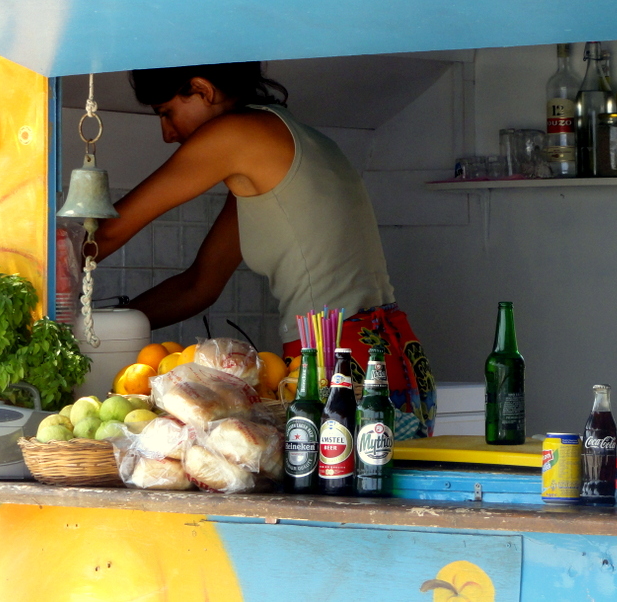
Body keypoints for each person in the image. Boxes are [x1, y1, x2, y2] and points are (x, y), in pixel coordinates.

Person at [94, 62, 436, 438]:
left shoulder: (236, 135)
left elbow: (107, 233)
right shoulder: (282, 140)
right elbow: (199, 285)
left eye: (167, 113)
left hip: (336, 364)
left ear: (202, 90)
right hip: (396, 359)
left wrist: (54, 280)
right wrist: (102, 326)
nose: (167, 133)